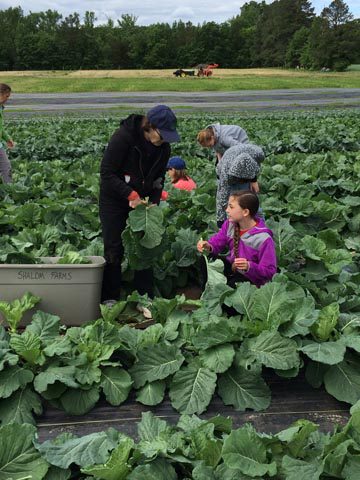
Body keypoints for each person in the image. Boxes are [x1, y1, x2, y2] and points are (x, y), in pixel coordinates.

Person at [99, 105, 180, 312]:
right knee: (114, 245)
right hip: (114, 198)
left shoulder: (164, 147)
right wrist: (129, 194)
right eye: (161, 135)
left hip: (142, 200)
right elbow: (107, 174)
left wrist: (153, 202)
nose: (164, 140)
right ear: (149, 127)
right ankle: (110, 297)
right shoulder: (123, 138)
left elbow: (159, 179)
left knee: (146, 245)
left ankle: (145, 297)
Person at [197, 190, 276, 289]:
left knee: (231, 291)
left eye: (231, 207)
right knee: (205, 259)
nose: (227, 210)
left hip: (251, 278)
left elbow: (270, 271)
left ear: (245, 212)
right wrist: (207, 246)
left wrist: (249, 266)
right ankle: (206, 291)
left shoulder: (264, 239)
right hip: (233, 267)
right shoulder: (230, 224)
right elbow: (217, 243)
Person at [215, 142, 264, 227]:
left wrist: (253, 180)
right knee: (233, 204)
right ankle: (233, 229)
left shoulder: (258, 154)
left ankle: (261, 226)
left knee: (251, 200)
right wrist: (220, 220)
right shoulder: (225, 175)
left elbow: (255, 165)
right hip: (227, 169)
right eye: (242, 180)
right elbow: (221, 197)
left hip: (242, 160)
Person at [0, 84, 14, 183]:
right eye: (6, 96)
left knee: (6, 167)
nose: (7, 99)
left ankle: (9, 192)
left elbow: (1, 127)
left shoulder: (0, 107)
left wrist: (7, 139)